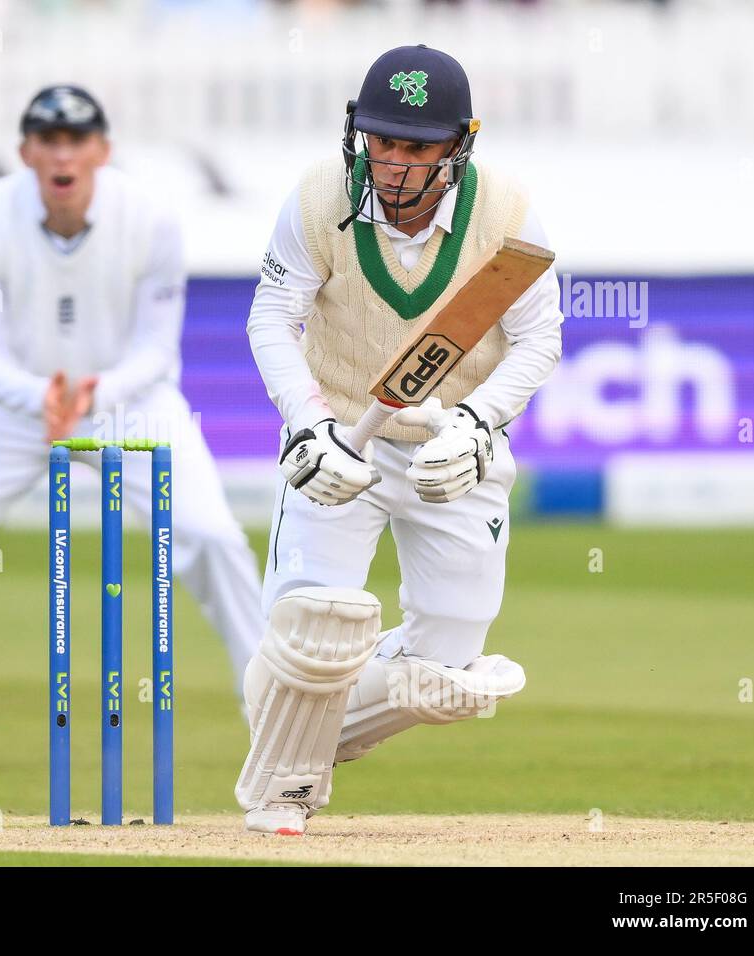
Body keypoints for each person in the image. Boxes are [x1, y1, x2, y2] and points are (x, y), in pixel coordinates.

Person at [0, 85, 264, 767]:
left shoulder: (151, 216)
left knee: (212, 535)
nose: (62, 154)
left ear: (102, 150)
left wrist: (96, 393)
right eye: (48, 140)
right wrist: (41, 395)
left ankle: (270, 709)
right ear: (26, 152)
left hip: (130, 400)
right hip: (10, 406)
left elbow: (158, 349)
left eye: (77, 140)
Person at [237, 45, 563, 834]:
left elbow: (539, 338)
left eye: (415, 146)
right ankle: (286, 788)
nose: (393, 161)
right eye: (381, 140)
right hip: (345, 436)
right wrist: (309, 424)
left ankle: (312, 717)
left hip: (452, 449)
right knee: (312, 620)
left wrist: (480, 423)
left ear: (459, 144)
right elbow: (272, 320)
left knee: (445, 678)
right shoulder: (319, 198)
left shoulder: (509, 212)